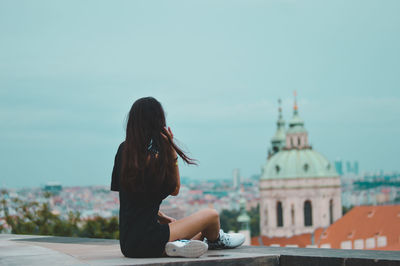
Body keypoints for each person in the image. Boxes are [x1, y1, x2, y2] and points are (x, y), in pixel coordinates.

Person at [111, 97, 245, 258]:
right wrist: (171, 151)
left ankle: (176, 246)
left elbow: (133, 200)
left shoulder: (123, 151)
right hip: (150, 238)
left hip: (128, 245)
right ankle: (216, 240)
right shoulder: (154, 157)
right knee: (211, 215)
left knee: (200, 232)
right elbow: (175, 190)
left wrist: (160, 216)